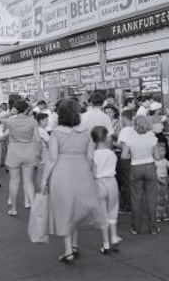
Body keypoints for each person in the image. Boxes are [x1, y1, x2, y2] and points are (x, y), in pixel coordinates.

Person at [41, 99, 106, 264]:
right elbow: (91, 157)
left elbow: (52, 159)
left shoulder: (56, 133)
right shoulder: (85, 132)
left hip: (62, 174)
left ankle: (68, 251)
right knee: (77, 210)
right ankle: (75, 246)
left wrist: (44, 179)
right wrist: (92, 175)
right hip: (82, 172)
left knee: (65, 211)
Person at [121, 115, 160, 235]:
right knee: (151, 198)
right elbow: (157, 156)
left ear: (135, 124)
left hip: (135, 166)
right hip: (149, 166)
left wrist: (133, 156)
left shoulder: (130, 138)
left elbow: (123, 156)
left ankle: (136, 228)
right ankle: (153, 227)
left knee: (136, 198)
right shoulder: (152, 137)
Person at [3, 99, 40, 216]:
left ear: (16, 109)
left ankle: (13, 209)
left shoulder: (10, 121)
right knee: (28, 182)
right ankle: (34, 207)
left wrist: (10, 113)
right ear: (26, 109)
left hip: (14, 151)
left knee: (14, 181)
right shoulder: (33, 121)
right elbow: (38, 139)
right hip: (29, 150)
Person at [91, 126, 121, 254]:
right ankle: (114, 237)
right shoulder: (111, 153)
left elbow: (93, 172)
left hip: (99, 182)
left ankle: (106, 243)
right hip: (112, 182)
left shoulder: (93, 155)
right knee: (113, 210)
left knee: (102, 213)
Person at [116, 109, 135, 213]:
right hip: (132, 157)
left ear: (123, 118)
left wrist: (112, 142)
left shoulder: (125, 130)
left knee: (125, 182)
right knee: (129, 181)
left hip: (124, 158)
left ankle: (127, 205)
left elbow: (122, 146)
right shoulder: (133, 129)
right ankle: (130, 204)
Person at [155, 142, 169, 222]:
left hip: (165, 179)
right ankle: (158, 214)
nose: (162, 152)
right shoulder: (154, 162)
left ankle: (165, 212)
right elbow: (153, 173)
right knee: (158, 198)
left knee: (165, 197)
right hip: (158, 180)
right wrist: (159, 180)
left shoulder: (166, 161)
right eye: (160, 151)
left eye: (163, 150)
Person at [35, 113, 50, 188]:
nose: (48, 122)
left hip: (38, 153)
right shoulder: (42, 131)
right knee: (43, 175)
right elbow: (48, 143)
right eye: (46, 120)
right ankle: (41, 192)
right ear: (41, 121)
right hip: (43, 153)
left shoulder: (37, 129)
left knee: (40, 174)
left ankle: (40, 191)